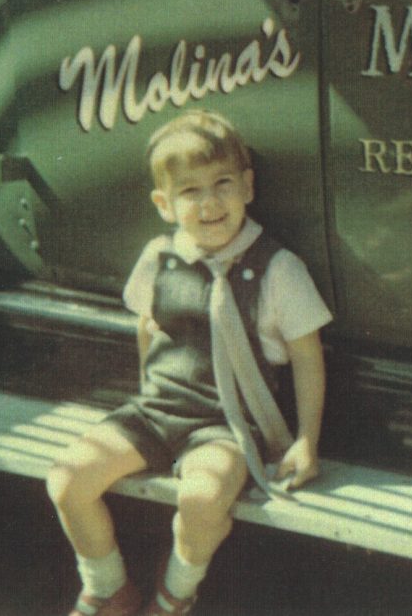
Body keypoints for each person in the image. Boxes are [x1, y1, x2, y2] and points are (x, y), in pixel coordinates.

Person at [46, 109, 332, 616]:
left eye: (222, 183)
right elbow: (147, 328)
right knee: (67, 480)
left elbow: (308, 356)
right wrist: (144, 401)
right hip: (156, 412)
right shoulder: (159, 257)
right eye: (190, 191)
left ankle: (174, 593)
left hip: (226, 425)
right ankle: (107, 587)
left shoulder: (277, 268)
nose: (209, 202)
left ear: (247, 186)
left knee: (201, 500)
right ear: (164, 204)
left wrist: (306, 439)